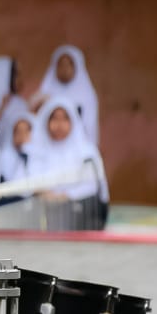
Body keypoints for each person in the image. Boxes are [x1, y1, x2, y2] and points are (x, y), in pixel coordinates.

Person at [29, 96, 110, 230]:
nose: (59, 124)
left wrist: (64, 197)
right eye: (54, 118)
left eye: (65, 118)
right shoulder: (37, 150)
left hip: (81, 218)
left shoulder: (86, 150)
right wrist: (43, 193)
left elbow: (92, 185)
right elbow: (30, 181)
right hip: (46, 219)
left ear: (73, 121)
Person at [36, 44, 99, 145]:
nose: (64, 69)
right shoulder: (44, 93)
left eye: (69, 64)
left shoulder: (87, 96)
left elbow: (90, 128)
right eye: (61, 64)